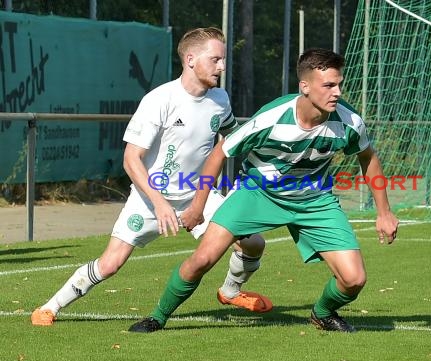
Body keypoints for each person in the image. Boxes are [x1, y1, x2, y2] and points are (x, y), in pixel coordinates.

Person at [128, 47, 399, 334]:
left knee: (354, 279)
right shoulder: (271, 118)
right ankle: (157, 316)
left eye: (339, 84)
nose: (337, 92)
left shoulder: (349, 121)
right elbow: (220, 153)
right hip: (257, 194)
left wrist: (384, 212)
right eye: (329, 85)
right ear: (304, 87)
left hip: (315, 200)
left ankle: (322, 313)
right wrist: (198, 206)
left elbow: (368, 158)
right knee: (202, 259)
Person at [31, 27, 272, 327]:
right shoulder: (160, 100)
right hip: (149, 198)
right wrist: (159, 204)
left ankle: (230, 291)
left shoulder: (220, 99)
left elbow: (228, 140)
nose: (222, 67)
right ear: (191, 59)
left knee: (254, 243)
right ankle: (50, 306)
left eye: (223, 60)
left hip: (198, 195)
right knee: (111, 264)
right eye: (215, 60)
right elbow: (131, 159)